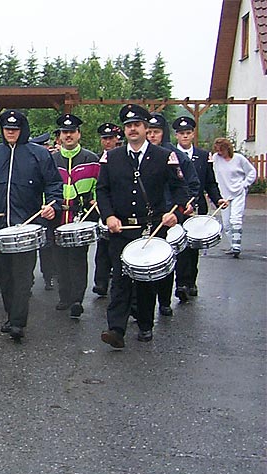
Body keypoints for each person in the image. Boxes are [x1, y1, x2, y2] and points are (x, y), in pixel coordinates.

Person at [96, 104, 188, 349]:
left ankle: (145, 324)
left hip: (151, 229)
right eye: (128, 126)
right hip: (121, 229)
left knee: (146, 281)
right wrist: (109, 216)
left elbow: (181, 190)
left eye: (136, 125)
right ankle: (116, 329)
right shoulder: (112, 157)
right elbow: (102, 190)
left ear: (146, 128)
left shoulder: (163, 156)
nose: (132, 129)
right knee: (120, 277)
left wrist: (175, 213)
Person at [0, 110, 63, 340]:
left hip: (27, 227)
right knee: (6, 276)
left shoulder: (38, 154)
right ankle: (12, 315)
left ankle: (18, 322)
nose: (11, 133)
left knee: (22, 276)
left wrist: (53, 205)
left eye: (15, 129)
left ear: (23, 130)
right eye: (7, 129)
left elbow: (54, 185)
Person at [146, 112, 200, 314]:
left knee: (168, 258)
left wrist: (184, 204)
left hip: (172, 215)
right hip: (148, 215)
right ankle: (140, 304)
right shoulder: (141, 155)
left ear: (164, 133)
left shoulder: (176, 156)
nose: (152, 136)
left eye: (156, 132)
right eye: (149, 131)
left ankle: (165, 301)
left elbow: (192, 184)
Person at [50, 114, 100, 319]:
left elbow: (99, 187)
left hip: (81, 216)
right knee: (59, 258)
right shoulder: (51, 159)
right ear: (60, 136)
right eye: (64, 132)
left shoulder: (91, 158)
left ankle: (77, 299)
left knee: (78, 258)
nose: (68, 135)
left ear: (79, 134)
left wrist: (96, 204)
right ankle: (64, 296)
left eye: (72, 132)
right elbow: (45, 187)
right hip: (57, 216)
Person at [173, 116, 227, 297]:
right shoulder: (170, 155)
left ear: (193, 134)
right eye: (181, 134)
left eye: (188, 133)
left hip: (197, 207)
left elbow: (210, 182)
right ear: (176, 136)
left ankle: (190, 281)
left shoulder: (203, 156)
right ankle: (180, 284)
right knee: (180, 245)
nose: (185, 137)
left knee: (193, 246)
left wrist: (217, 199)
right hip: (179, 208)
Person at [212, 137, 257, 258]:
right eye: (218, 151)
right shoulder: (216, 159)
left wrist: (244, 184)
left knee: (235, 219)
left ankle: (237, 247)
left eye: (222, 150)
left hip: (238, 192)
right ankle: (232, 245)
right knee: (226, 223)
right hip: (224, 194)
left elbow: (251, 172)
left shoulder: (239, 159)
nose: (220, 153)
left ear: (228, 149)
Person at [92, 122, 120, 296]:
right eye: (105, 138)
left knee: (117, 249)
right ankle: (101, 282)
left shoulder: (122, 158)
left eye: (111, 138)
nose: (108, 142)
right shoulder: (95, 159)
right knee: (102, 247)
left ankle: (117, 281)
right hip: (100, 207)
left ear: (117, 139)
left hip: (120, 207)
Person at [30, 132, 57, 290]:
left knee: (47, 246)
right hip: (34, 209)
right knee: (32, 246)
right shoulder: (32, 163)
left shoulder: (50, 161)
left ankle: (48, 277)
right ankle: (29, 278)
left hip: (48, 209)